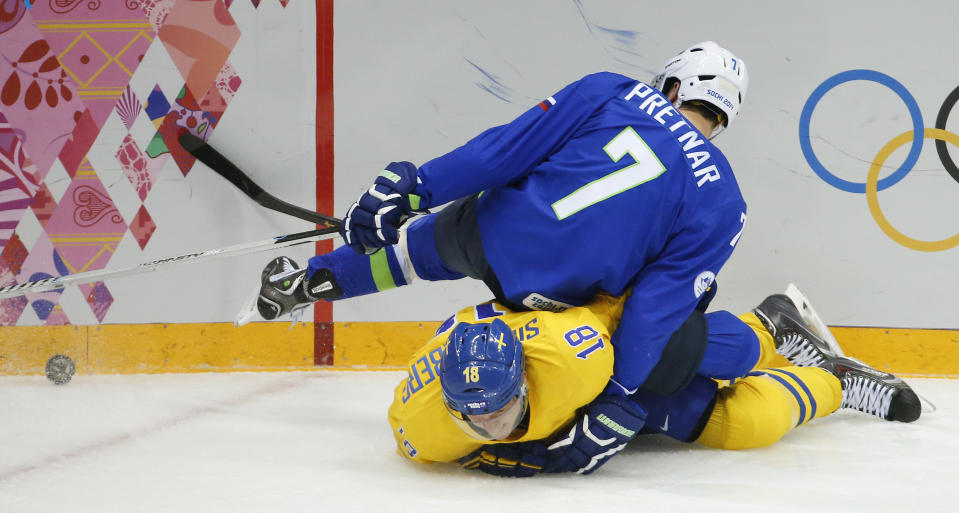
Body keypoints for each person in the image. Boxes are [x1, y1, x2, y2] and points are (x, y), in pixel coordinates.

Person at [256, 41, 756, 469]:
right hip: (566, 301)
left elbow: (502, 152)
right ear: (723, 117)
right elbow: (655, 306)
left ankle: (309, 282)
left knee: (417, 250)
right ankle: (765, 347)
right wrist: (614, 394)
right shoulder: (725, 200)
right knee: (691, 331)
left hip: (493, 238)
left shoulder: (612, 90)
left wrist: (418, 190)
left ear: (672, 86)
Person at [388, 291, 921, 477]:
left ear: (524, 377)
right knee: (746, 424)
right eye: (474, 419)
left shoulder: (573, 350)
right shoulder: (424, 429)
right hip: (577, 392)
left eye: (500, 409)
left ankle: (769, 324)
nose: (492, 426)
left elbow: (624, 315)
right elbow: (496, 453)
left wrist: (616, 395)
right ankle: (834, 379)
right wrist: (558, 456)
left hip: (612, 350)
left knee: (723, 354)